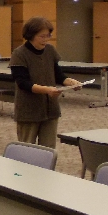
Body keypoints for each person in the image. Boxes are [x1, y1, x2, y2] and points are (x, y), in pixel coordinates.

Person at [9, 17, 83, 148]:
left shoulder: (50, 50)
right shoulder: (19, 54)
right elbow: (22, 83)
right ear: (31, 35)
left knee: (48, 149)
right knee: (26, 149)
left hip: (50, 110)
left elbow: (58, 75)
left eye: (48, 36)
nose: (45, 39)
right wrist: (47, 90)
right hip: (28, 110)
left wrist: (70, 82)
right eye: (41, 36)